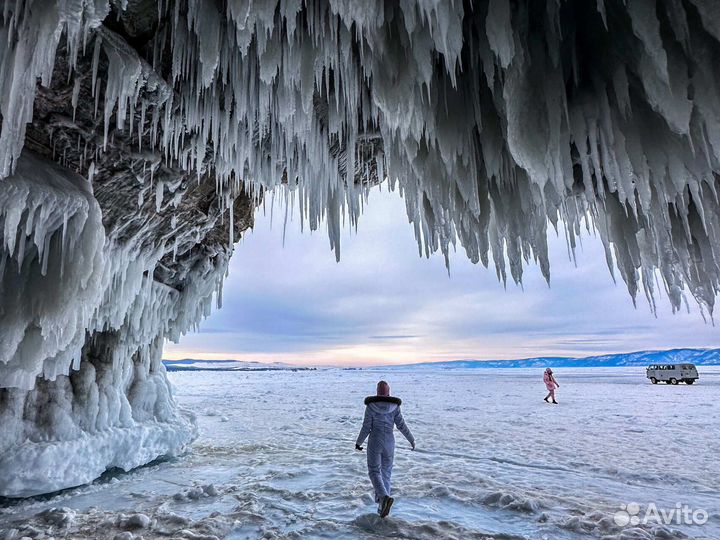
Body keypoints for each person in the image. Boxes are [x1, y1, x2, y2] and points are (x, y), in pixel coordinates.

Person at [355, 380, 415, 518]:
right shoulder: (394, 406)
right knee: (386, 472)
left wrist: (359, 442)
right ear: (389, 392)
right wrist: (411, 440)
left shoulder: (371, 406)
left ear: (377, 392)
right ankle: (384, 506)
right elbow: (401, 425)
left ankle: (383, 498)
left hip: (375, 440)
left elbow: (366, 427)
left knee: (374, 471)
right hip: (389, 441)